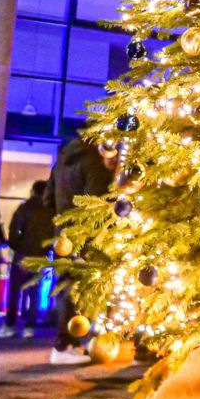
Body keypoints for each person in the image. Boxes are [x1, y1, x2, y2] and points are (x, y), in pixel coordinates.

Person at [43, 136, 116, 364]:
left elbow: (47, 199)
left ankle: (64, 344)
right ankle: (67, 344)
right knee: (81, 288)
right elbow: (96, 203)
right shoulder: (94, 161)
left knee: (67, 284)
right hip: (86, 235)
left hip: (63, 233)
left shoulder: (62, 160)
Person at [0, 181, 54, 339]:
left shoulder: (24, 208)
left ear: (33, 191)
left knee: (14, 292)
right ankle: (29, 327)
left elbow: (14, 229)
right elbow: (52, 236)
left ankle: (10, 325)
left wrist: (16, 245)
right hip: (40, 257)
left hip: (22, 255)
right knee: (34, 294)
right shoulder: (50, 212)